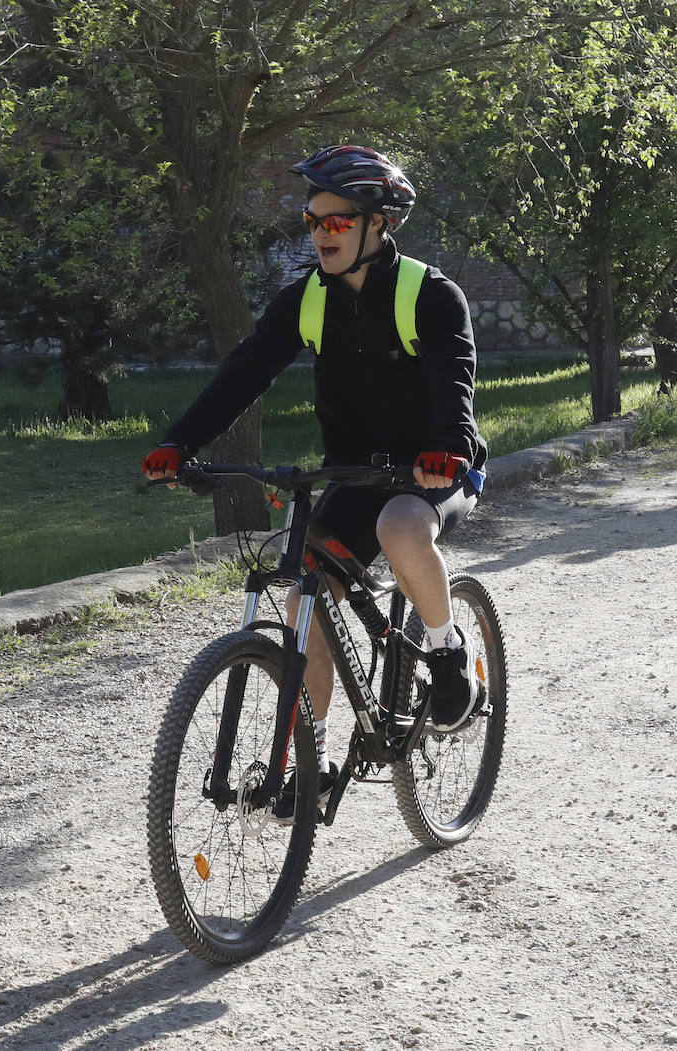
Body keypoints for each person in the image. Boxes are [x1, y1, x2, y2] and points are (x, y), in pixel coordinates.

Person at [142, 144, 488, 797]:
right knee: (307, 590)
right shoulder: (308, 300)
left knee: (402, 528)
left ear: (376, 224)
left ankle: (446, 653)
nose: (321, 232)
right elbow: (244, 373)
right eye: (312, 221)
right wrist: (180, 442)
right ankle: (316, 756)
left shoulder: (430, 296)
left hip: (431, 472)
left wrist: (451, 449)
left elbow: (455, 383)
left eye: (335, 221)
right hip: (354, 473)